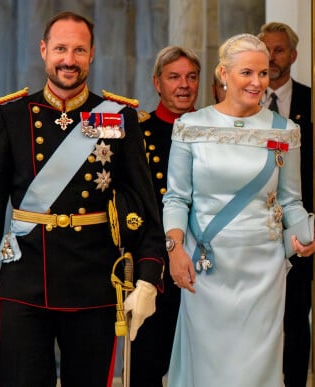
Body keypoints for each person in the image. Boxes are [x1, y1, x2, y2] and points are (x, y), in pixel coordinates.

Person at [0, 11, 165, 387]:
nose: (68, 59)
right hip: (25, 282)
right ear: (43, 50)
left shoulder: (119, 116)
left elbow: (145, 206)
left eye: (78, 50)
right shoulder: (12, 115)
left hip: (95, 283)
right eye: (60, 49)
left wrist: (149, 277)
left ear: (91, 54)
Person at [162, 33, 315, 387]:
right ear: (223, 73)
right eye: (247, 72)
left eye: (263, 74)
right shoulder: (190, 126)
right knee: (208, 365)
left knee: (256, 369)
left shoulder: (284, 130)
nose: (257, 82)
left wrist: (305, 234)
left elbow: (291, 201)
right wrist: (175, 250)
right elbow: (176, 198)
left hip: (263, 268)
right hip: (205, 264)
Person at [258, 21, 315, 386]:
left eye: (279, 50)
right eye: (267, 50)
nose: (272, 58)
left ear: (293, 55)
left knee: (296, 317)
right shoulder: (244, 98)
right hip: (251, 229)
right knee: (257, 319)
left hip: (300, 233)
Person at [130, 45, 200, 387]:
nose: (183, 85)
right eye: (174, 77)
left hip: (204, 265)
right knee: (147, 363)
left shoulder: (211, 130)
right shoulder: (138, 133)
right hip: (153, 263)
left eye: (191, 77)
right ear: (157, 83)